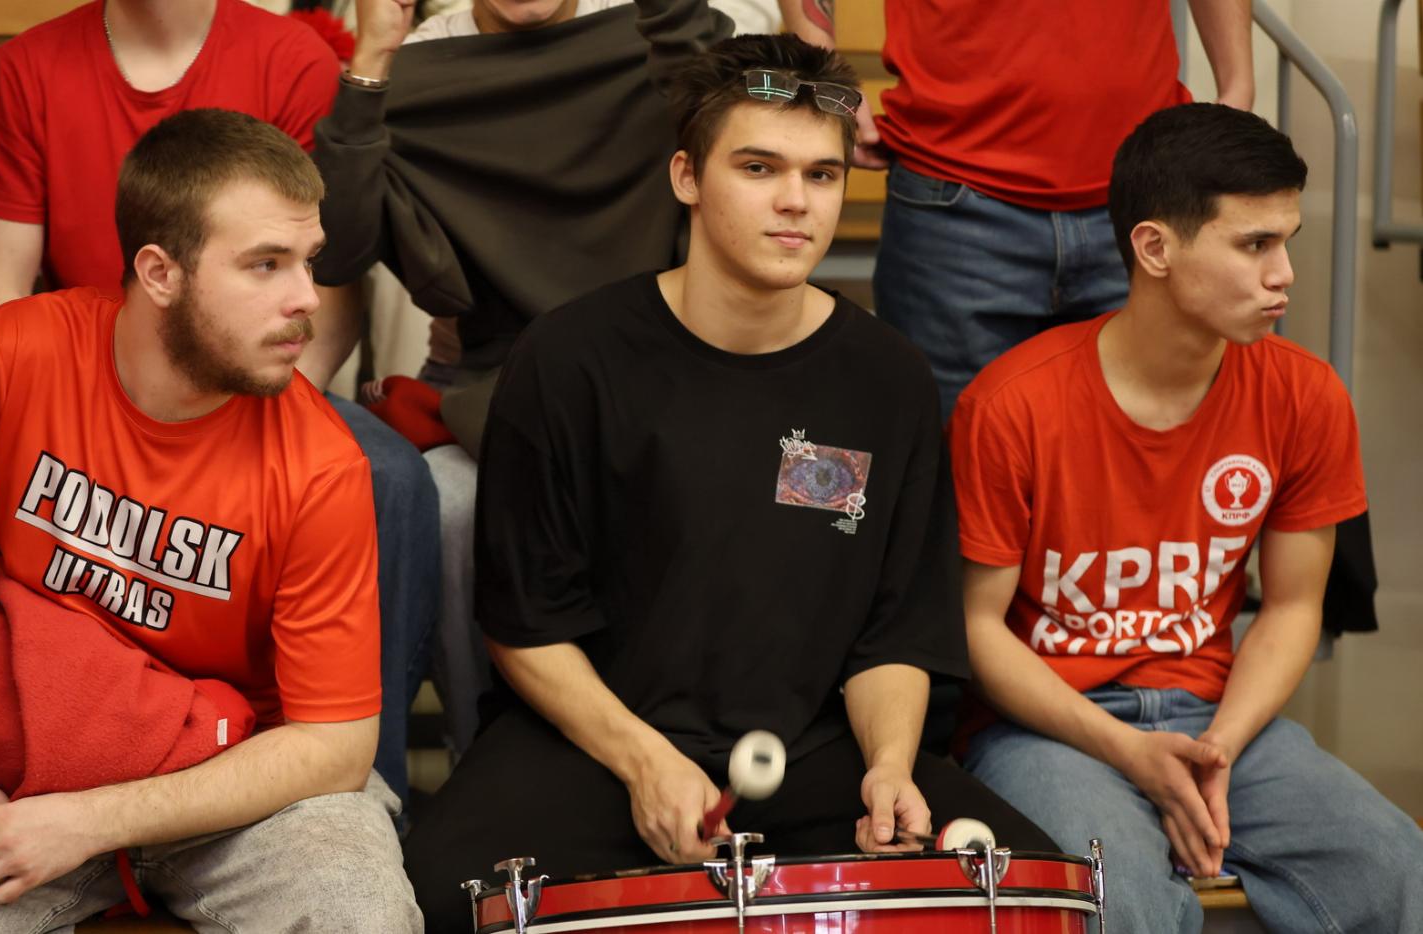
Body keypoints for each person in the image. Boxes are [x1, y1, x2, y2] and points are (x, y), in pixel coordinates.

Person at [406, 34, 1058, 933]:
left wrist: (889, 767)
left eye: (822, 175)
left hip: (817, 757)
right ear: (686, 177)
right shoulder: (569, 358)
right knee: (439, 898)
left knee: (1032, 899)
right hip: (598, 746)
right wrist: (645, 763)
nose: (796, 201)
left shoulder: (888, 377)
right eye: (759, 168)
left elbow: (897, 633)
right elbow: (526, 629)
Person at [0, 0, 439, 813]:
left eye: (297, 265)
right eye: (269, 264)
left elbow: (326, 284)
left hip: (254, 381)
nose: (300, 289)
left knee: (387, 477)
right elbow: (0, 296)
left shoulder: (288, 56)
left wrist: (257, 417)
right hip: (98, 372)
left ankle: (364, 792)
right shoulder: (30, 67)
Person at [949, 103, 1423, 934]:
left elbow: (1293, 606)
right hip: (1046, 727)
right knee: (1117, 899)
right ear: (1155, 248)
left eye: (1288, 241)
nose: (1284, 274)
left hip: (1217, 719)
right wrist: (1130, 751)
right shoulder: (1010, 405)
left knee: (1393, 863)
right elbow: (976, 631)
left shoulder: (1306, 395)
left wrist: (1219, 750)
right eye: (1255, 245)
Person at [311, 0, 735, 756]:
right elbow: (338, 248)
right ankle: (484, 755)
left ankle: (670, 748)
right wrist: (370, 62)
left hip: (659, 363)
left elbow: (724, 118)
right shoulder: (420, 62)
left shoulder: (645, 31)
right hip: (494, 383)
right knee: (449, 506)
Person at [782, 0, 1254, 417]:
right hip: (954, 201)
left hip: (1140, 200)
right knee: (951, 467)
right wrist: (826, 80)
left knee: (1137, 469)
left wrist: (1238, 85)